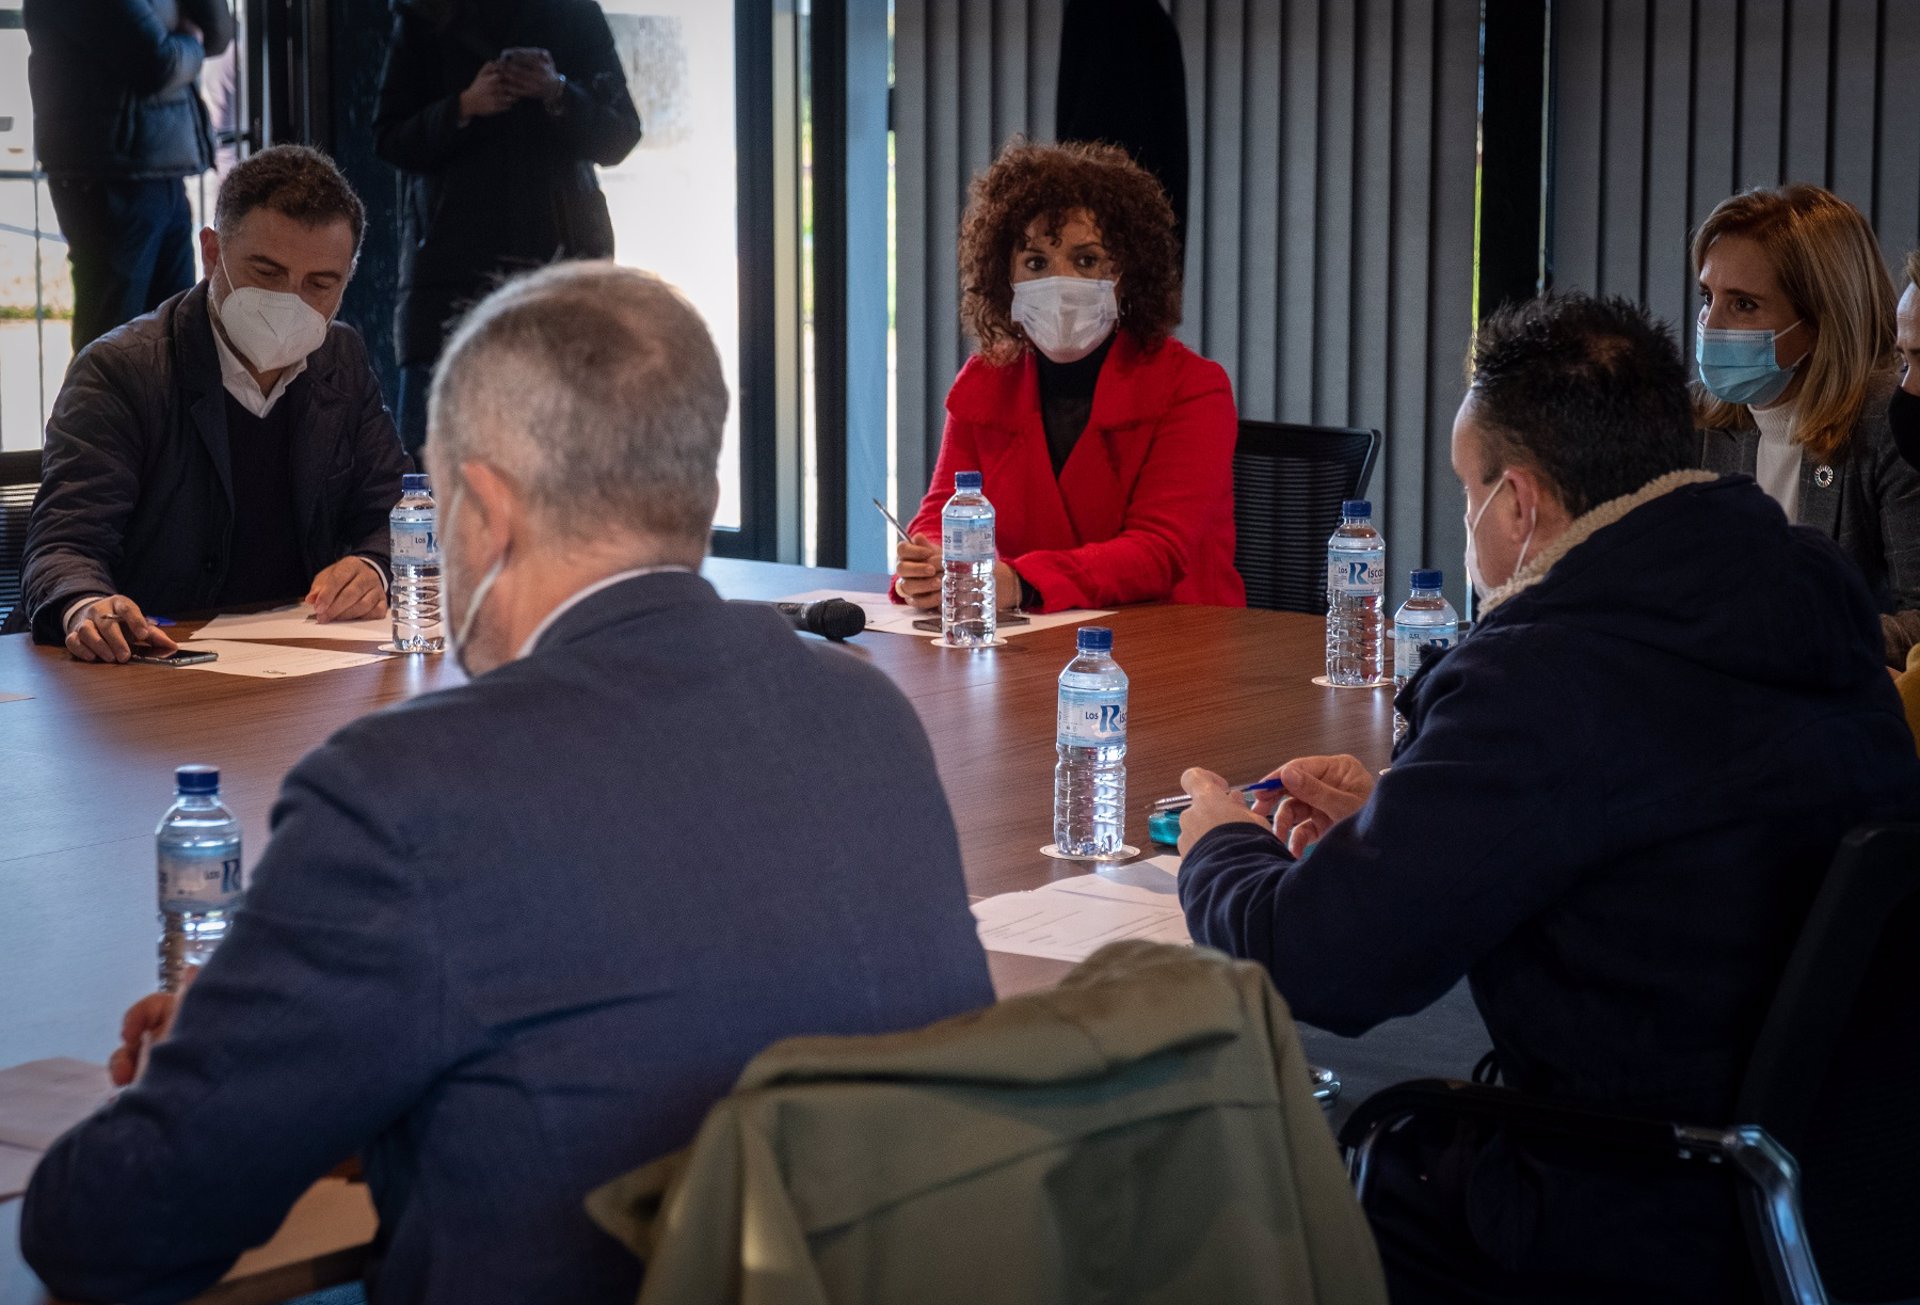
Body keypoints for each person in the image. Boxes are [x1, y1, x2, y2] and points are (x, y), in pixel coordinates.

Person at [20, 263, 996, 1304]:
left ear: (484, 510)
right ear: (700, 491)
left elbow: (110, 1229)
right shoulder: (865, 713)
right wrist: (299, 1037)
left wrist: (237, 1075)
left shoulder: (401, 795)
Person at [1175, 294, 1920, 1303]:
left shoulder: (1548, 671)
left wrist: (1221, 847)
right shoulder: (1804, 590)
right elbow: (1655, 820)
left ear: (1519, 503)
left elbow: (1319, 964)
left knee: (1251, 1204)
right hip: (1833, 1182)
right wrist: (1403, 820)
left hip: (1624, 1199)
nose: (1471, 521)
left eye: (1470, 489)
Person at [9, 145, 409, 661]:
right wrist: (88, 606)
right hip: (147, 665)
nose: (290, 301)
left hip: (302, 657)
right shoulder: (122, 369)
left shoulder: (341, 356)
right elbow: (64, 544)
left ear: (347, 278)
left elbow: (399, 512)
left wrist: (374, 565)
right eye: (267, 273)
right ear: (212, 252)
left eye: (320, 284)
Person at [892, 139, 1245, 614]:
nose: (1060, 281)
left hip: (1174, 645)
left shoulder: (1193, 387)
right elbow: (940, 515)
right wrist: (929, 566)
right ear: (1006, 277)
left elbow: (1158, 551)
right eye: (1036, 262)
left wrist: (1019, 582)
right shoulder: (988, 378)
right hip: (1038, 643)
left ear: (1126, 274)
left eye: (1086, 260)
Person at [375, 0, 643, 454]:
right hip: (450, 271)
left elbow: (620, 134)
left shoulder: (574, 14)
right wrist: (463, 106)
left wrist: (557, 91)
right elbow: (389, 138)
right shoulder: (423, 16)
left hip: (558, 266)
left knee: (560, 455)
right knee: (441, 458)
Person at [1693, 183, 1920, 667]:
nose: (1711, 326)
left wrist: (1801, 637)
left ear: (1820, 321)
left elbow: (1919, 618)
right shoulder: (1698, 423)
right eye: (1707, 297)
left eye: (1744, 305)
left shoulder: (1891, 425)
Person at [23, 0, 236, 352]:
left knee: (174, 334)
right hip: (107, 175)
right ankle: (93, 411)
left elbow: (217, 36)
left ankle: (155, 410)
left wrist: (187, 43)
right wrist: (188, 43)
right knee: (111, 341)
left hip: (163, 168)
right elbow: (157, 64)